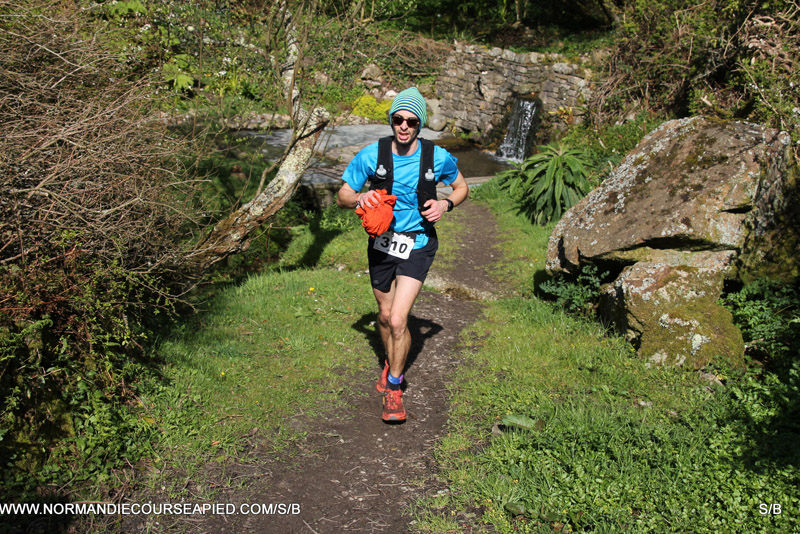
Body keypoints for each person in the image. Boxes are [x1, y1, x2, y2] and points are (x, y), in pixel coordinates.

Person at [337, 87, 469, 423]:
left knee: (398, 319)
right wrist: (360, 199)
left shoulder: (436, 157)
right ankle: (390, 361)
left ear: (420, 124)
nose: (404, 126)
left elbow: (461, 187)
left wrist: (446, 204)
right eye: (398, 119)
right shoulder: (372, 155)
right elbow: (343, 195)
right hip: (382, 244)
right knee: (384, 316)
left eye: (411, 121)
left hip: (419, 243)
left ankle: (394, 387)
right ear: (392, 120)